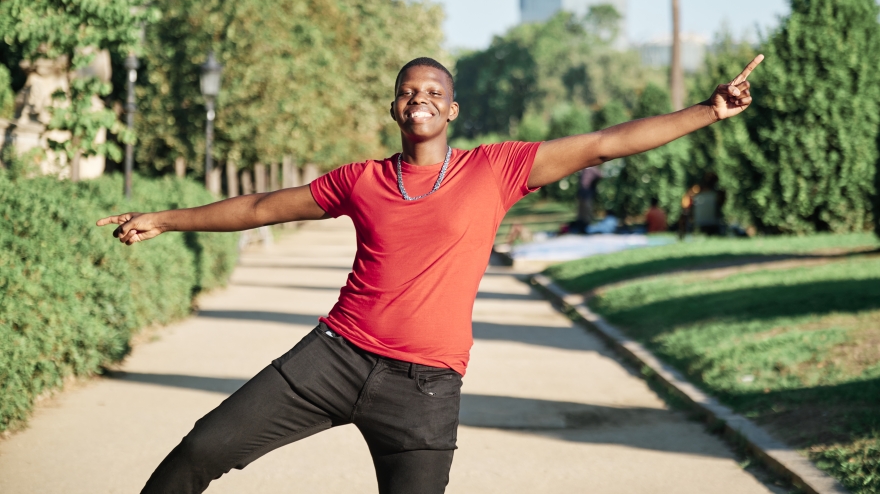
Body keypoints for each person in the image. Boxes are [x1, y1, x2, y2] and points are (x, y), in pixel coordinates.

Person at [97, 54, 763, 494]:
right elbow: (261, 205)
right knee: (201, 450)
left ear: (451, 111)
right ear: (395, 108)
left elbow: (604, 142)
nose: (420, 98)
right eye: (408, 91)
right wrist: (167, 218)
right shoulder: (362, 180)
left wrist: (710, 110)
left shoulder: (494, 170)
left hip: (423, 390)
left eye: (433, 92)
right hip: (332, 358)